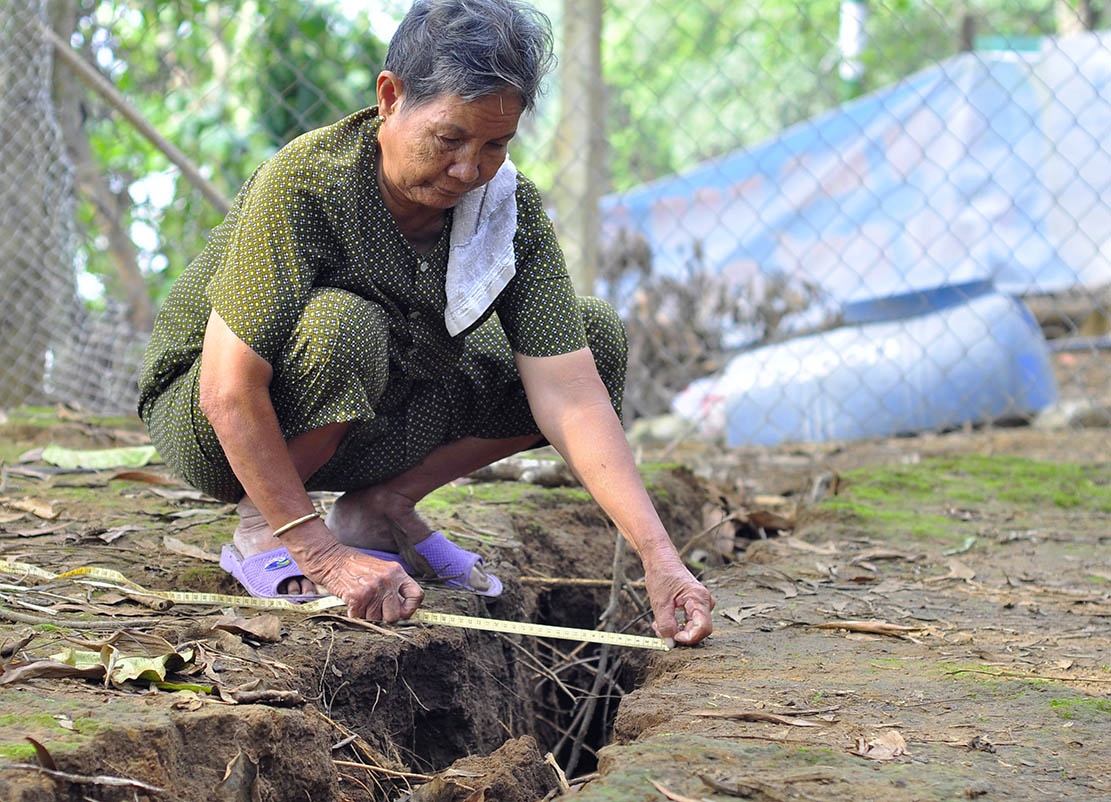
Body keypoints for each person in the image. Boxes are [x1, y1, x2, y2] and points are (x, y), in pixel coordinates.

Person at [137, 0, 714, 646]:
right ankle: (261, 527)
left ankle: (381, 507)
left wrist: (660, 560)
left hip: (380, 405)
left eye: (494, 144)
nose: (469, 170)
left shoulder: (505, 208)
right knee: (344, 327)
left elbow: (571, 392)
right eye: (449, 139)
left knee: (593, 336)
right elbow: (226, 389)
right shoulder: (309, 181)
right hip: (213, 428)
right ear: (390, 97)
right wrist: (320, 554)